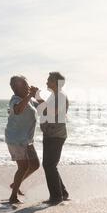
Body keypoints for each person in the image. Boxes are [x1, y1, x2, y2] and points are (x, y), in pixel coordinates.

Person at [5, 75, 40, 204]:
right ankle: (13, 197)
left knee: (35, 165)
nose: (27, 86)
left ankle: (15, 184)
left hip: (27, 139)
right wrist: (30, 96)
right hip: (16, 139)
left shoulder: (28, 100)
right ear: (15, 87)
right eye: (24, 84)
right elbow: (18, 110)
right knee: (23, 167)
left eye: (27, 84)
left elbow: (43, 108)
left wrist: (36, 95)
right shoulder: (15, 100)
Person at [36, 72, 70, 205]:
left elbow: (50, 112)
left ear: (56, 83)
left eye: (49, 80)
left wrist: (37, 97)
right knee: (50, 165)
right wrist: (35, 99)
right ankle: (62, 193)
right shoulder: (54, 96)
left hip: (56, 135)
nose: (46, 82)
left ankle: (56, 197)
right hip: (51, 134)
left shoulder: (60, 96)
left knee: (49, 165)